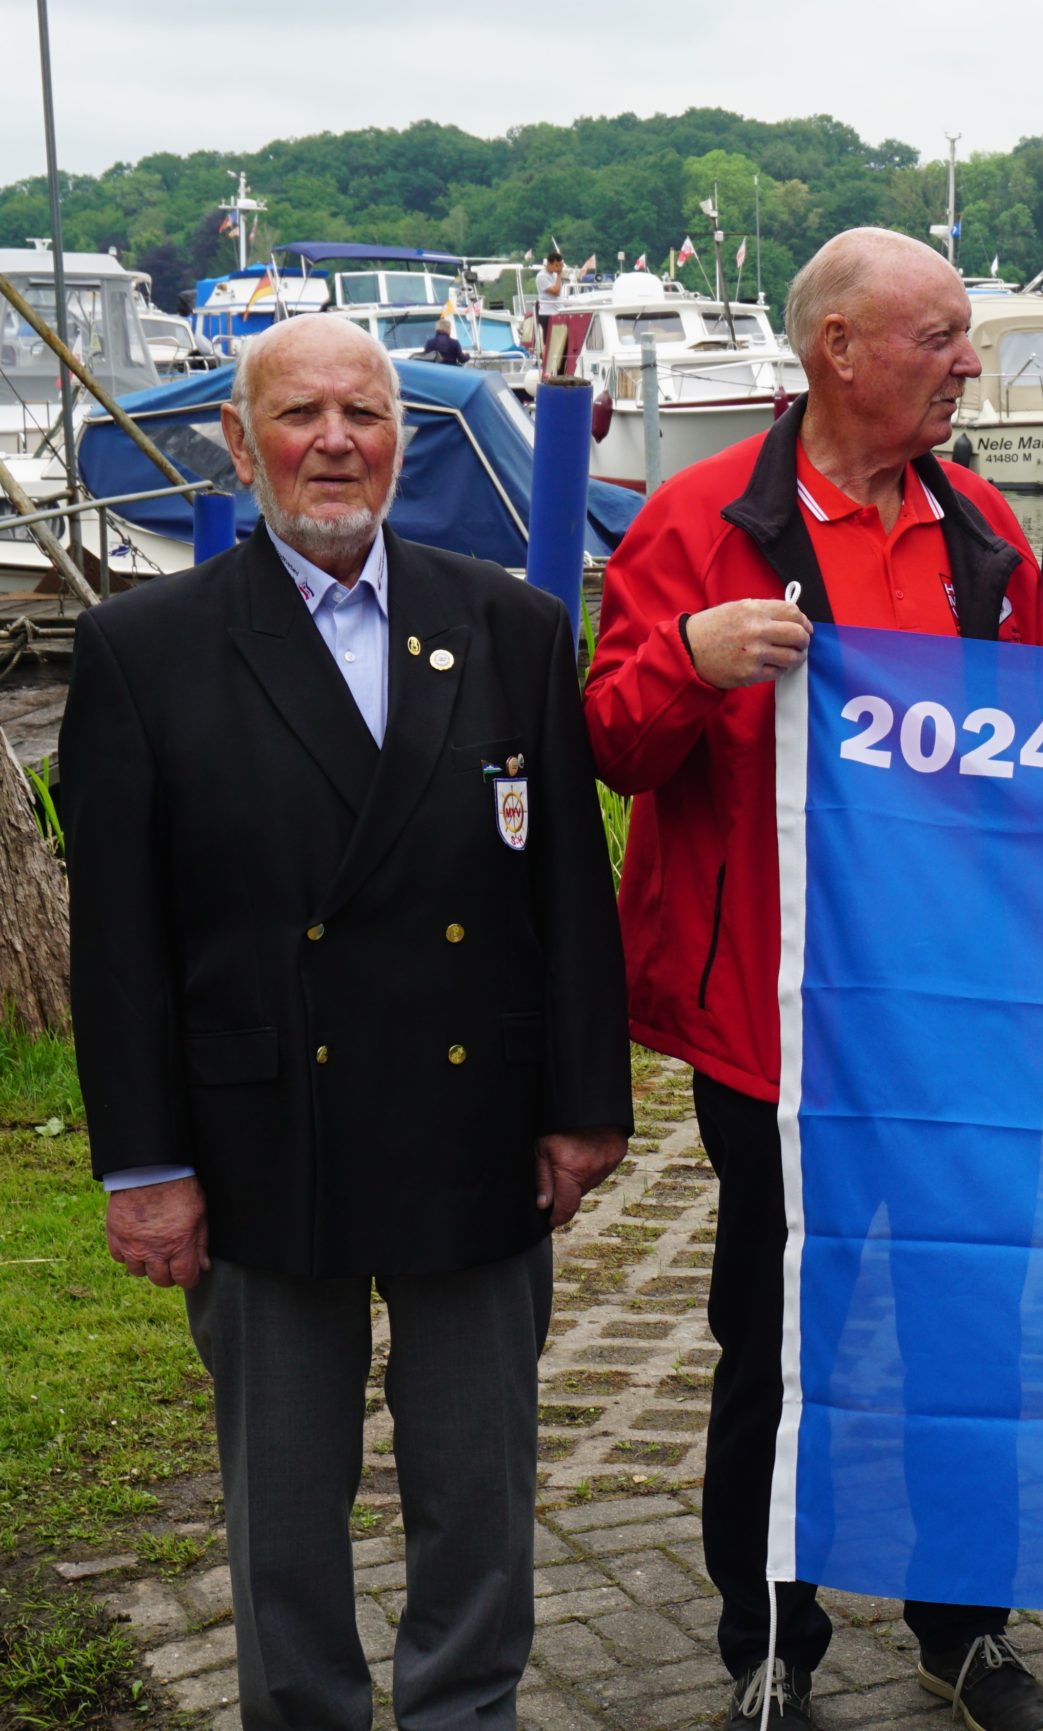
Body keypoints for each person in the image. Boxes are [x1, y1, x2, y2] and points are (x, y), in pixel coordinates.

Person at [61, 314, 632, 1731]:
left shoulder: (502, 620)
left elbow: (569, 879)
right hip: (261, 1138)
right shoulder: (146, 648)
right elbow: (119, 945)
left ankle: (464, 1711)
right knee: (285, 1501)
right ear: (240, 442)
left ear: (404, 436)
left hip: (473, 1124)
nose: (335, 441)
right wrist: (144, 1167)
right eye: (301, 412)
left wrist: (584, 1101)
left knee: (479, 1484)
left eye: (366, 413)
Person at [583, 228, 1043, 1731]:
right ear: (837, 349)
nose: (967, 361)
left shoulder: (981, 528)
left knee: (966, 1329)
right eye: (940, 336)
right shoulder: (693, 521)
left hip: (949, 1021)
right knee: (778, 1339)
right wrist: (689, 651)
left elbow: (1036, 760)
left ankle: (964, 1628)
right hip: (771, 1024)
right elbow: (611, 741)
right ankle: (768, 1646)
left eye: (966, 336)